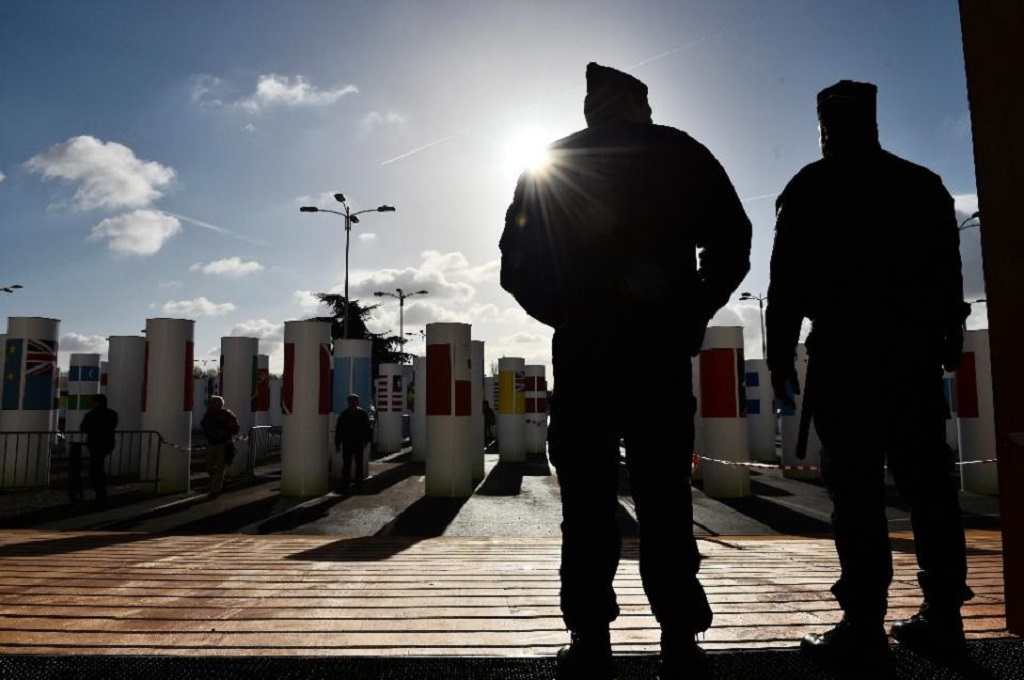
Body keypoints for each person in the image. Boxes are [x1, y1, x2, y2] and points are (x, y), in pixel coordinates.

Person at [500, 62, 751, 680]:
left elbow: (515, 265)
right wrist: (690, 310)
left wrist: (567, 312)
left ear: (591, 109)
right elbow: (734, 243)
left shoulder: (550, 161)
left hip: (585, 357)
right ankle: (680, 641)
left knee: (585, 504)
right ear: (639, 104)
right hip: (658, 356)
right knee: (665, 499)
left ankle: (589, 642)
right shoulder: (680, 152)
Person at [766, 79, 973, 670]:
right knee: (931, 492)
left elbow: (784, 290)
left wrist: (782, 359)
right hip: (909, 357)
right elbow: (947, 276)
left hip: (844, 361)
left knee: (855, 497)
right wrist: (947, 339)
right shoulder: (923, 185)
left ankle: (862, 625)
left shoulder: (808, 187)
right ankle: (945, 619)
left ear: (824, 125)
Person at [79, 393, 118, 503]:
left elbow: (83, 428)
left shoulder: (91, 414)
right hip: (108, 442)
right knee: (99, 465)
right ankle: (101, 491)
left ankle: (99, 491)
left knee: (96, 467)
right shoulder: (112, 414)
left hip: (94, 443)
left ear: (96, 402)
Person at [200, 395, 240, 499]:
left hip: (223, 444)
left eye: (215, 403)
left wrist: (223, 432)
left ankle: (215, 489)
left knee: (220, 467)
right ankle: (219, 483)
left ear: (220, 404)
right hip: (211, 443)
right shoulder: (208, 414)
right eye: (212, 402)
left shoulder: (227, 415)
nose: (212, 404)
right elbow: (203, 425)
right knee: (209, 466)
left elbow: (235, 428)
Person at [335, 393, 373, 493]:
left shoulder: (362, 414)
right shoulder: (344, 415)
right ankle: (345, 484)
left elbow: (367, 428)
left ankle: (358, 484)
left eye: (353, 401)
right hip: (347, 443)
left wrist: (366, 440)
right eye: (350, 401)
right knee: (347, 465)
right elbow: (339, 430)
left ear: (357, 402)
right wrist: (337, 443)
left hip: (358, 443)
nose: (352, 403)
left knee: (358, 464)